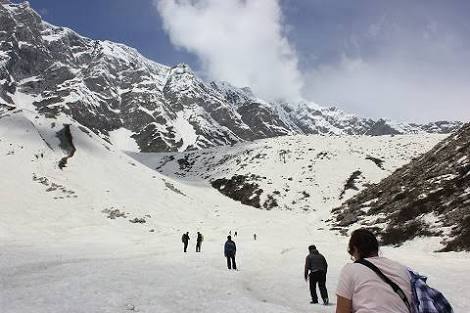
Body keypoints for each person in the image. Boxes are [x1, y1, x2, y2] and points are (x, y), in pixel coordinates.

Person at [336, 228, 412, 313]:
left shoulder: (350, 270)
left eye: (352, 254)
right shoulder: (401, 269)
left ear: (355, 249)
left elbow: (342, 310)